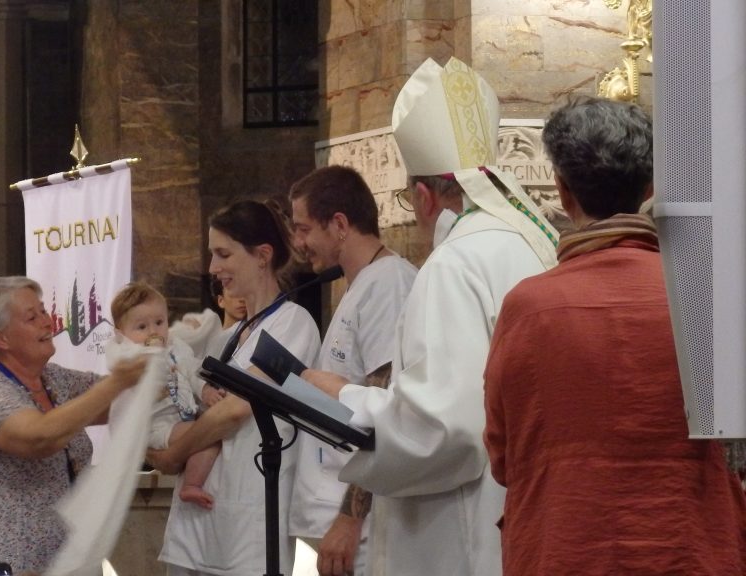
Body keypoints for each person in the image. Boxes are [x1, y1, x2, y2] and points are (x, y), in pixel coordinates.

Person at [302, 57, 559, 576]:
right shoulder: (530, 246)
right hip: (525, 512)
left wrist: (342, 397)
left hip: (457, 532)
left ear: (423, 197)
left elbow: (444, 431)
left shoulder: (454, 264)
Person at [483, 97, 746, 575]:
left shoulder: (528, 307)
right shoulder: (709, 295)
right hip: (689, 547)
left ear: (563, 192)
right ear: (648, 186)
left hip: (567, 548)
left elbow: (504, 459)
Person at [153, 199, 322, 576]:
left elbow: (235, 410)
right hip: (198, 521)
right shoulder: (226, 336)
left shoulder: (293, 324)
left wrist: (173, 452)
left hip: (247, 526)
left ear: (262, 255)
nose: (213, 268)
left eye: (223, 254)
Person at [0, 276, 146, 573]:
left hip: (70, 559)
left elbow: (124, 401)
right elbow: (40, 438)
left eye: (43, 311)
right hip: (11, 563)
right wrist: (119, 382)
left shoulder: (55, 380)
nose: (48, 322)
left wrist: (158, 364)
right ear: (0, 338)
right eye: (32, 317)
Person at [288, 165, 418, 576]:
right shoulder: (359, 285)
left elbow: (384, 410)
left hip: (361, 529)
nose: (299, 242)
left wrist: (350, 518)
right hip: (332, 516)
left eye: (304, 228)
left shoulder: (389, 283)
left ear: (339, 224)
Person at [109, 281, 220, 509]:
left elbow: (193, 370)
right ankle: (192, 484)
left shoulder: (176, 347)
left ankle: (192, 477)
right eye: (141, 327)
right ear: (121, 335)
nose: (153, 332)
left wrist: (205, 390)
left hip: (182, 418)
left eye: (159, 322)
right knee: (210, 435)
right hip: (158, 427)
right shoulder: (130, 358)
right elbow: (127, 394)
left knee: (209, 434)